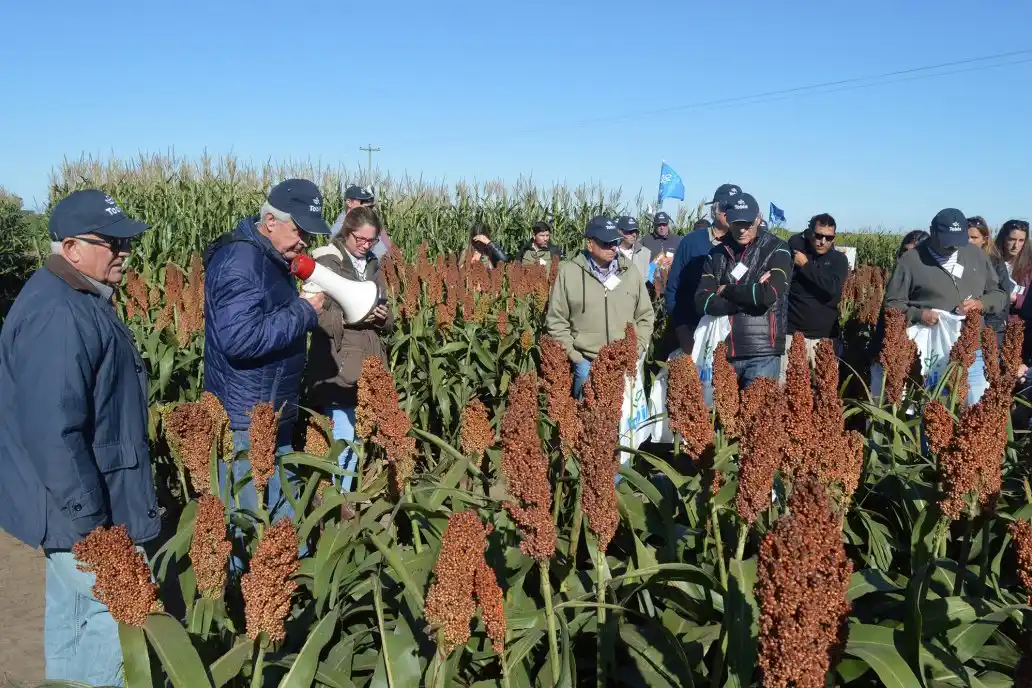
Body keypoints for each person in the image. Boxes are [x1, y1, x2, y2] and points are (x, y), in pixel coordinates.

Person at [0, 190, 159, 685]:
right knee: (118, 624)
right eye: (112, 243)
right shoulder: (60, 314)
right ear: (70, 248)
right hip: (86, 507)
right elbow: (53, 430)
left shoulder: (73, 297)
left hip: (74, 505)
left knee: (72, 620)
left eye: (126, 242)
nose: (124, 252)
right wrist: (93, 525)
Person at [203, 178, 330, 526]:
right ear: (270, 221)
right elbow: (240, 339)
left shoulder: (269, 258)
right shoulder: (240, 263)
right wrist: (304, 311)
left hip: (270, 414)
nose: (305, 241)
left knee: (280, 529)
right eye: (300, 230)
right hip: (245, 423)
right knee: (250, 525)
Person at [305, 206, 392, 495]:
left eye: (372, 240)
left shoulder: (372, 264)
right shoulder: (326, 262)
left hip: (369, 362)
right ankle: (336, 497)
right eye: (361, 239)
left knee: (357, 436)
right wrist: (345, 319)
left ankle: (344, 495)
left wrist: (383, 317)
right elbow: (311, 312)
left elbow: (387, 311)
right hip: (338, 363)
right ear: (347, 232)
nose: (367, 246)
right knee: (343, 435)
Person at [883, 208, 1006, 405]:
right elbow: (892, 304)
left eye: (959, 240)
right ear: (932, 232)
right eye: (948, 241)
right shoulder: (911, 260)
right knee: (932, 409)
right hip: (930, 351)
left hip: (973, 350)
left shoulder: (976, 255)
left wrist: (981, 304)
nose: (954, 247)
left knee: (976, 410)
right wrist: (920, 314)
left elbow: (999, 295)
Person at [545, 216, 655, 398]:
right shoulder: (569, 273)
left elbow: (645, 315)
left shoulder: (630, 272)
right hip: (587, 361)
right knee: (586, 414)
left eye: (615, 242)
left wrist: (637, 348)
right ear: (590, 244)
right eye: (606, 243)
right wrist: (576, 358)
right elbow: (556, 320)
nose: (613, 248)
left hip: (624, 362)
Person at [693, 192, 793, 389]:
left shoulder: (778, 249)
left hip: (762, 353)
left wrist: (726, 289)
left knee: (758, 409)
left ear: (758, 218)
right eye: (737, 223)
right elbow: (702, 301)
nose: (742, 230)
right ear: (727, 220)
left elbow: (768, 295)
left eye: (748, 223)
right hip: (722, 350)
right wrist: (749, 297)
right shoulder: (716, 254)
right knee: (720, 409)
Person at [665, 183, 742, 353]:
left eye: (736, 207)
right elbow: (673, 287)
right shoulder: (691, 242)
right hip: (692, 330)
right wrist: (681, 328)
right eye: (727, 207)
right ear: (715, 209)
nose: (731, 212)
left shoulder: (743, 244)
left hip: (731, 333)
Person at [785, 213, 849, 363]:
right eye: (819, 236)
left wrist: (806, 266)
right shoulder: (799, 251)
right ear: (810, 233)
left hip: (825, 339)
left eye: (829, 238)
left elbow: (831, 288)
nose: (823, 241)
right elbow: (793, 240)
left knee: (823, 378)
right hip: (792, 336)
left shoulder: (839, 260)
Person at [967, 216, 1014, 345]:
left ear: (984, 239)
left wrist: (987, 330)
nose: (969, 241)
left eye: (974, 237)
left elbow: (1002, 298)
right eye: (966, 237)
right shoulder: (956, 260)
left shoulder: (995, 263)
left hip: (988, 330)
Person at [330, 184, 392, 258]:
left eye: (367, 201)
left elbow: (386, 244)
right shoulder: (338, 228)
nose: (366, 205)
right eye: (362, 202)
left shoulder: (373, 221)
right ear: (349, 202)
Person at [996, 219, 1032, 311]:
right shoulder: (990, 262)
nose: (1016, 245)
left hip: (1017, 318)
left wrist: (1016, 299)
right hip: (991, 316)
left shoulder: (1029, 268)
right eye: (1012, 239)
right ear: (1003, 239)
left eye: (1021, 240)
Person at [616, 215, 652, 279]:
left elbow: (645, 278)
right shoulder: (609, 251)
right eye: (630, 231)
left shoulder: (645, 253)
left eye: (636, 232)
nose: (634, 235)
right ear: (619, 231)